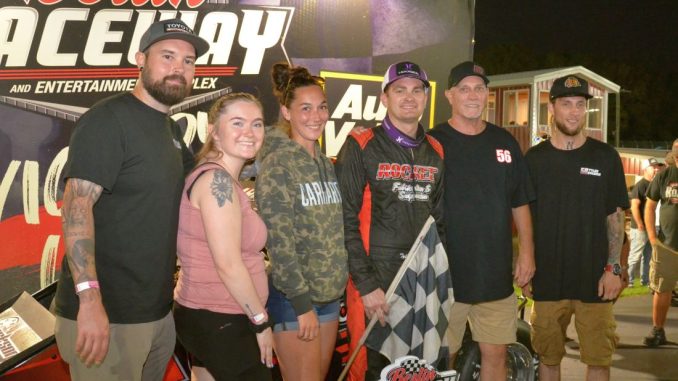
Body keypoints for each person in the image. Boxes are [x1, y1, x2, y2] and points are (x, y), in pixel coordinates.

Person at [53, 18, 208, 380]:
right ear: (140, 59)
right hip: (107, 316)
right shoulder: (109, 119)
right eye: (167, 56)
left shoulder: (168, 129)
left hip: (155, 313)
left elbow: (202, 181)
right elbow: (76, 206)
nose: (178, 68)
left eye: (188, 61)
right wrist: (90, 302)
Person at [335, 61, 445, 380]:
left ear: (426, 97)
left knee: (415, 371)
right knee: (370, 370)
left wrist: (436, 280)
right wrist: (367, 285)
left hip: (420, 280)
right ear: (385, 98)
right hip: (374, 283)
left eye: (416, 90)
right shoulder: (361, 144)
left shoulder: (436, 150)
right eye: (399, 90)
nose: (409, 97)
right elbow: (345, 220)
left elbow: (440, 223)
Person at [428, 61, 535, 380]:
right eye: (464, 88)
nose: (473, 95)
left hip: (494, 275)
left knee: (496, 355)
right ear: (449, 94)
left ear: (487, 93)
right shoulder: (432, 143)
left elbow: (520, 201)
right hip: (445, 277)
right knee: (441, 359)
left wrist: (527, 253)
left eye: (479, 88)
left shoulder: (505, 142)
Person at [525, 75, 629, 381]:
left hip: (595, 280)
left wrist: (613, 267)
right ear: (552, 108)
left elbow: (615, 216)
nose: (573, 111)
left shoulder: (605, 157)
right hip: (547, 279)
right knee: (548, 357)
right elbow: (524, 218)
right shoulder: (534, 160)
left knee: (598, 359)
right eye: (566, 103)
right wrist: (525, 265)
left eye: (580, 105)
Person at [255, 63, 348, 380]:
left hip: (329, 299)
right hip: (296, 301)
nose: (316, 116)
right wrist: (302, 304)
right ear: (286, 111)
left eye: (322, 107)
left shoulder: (323, 161)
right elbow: (280, 243)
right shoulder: (278, 163)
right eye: (305, 108)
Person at [173, 93, 274, 380]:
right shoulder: (217, 181)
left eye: (257, 124)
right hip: (222, 318)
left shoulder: (221, 179)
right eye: (237, 123)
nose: (249, 132)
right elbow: (228, 264)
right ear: (214, 131)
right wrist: (260, 322)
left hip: (209, 317)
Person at [643, 138, 678, 347]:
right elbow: (649, 206)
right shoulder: (664, 175)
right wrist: (652, 238)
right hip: (666, 245)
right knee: (662, 289)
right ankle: (658, 330)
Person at [628, 158, 663, 287]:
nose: (656, 169)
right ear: (645, 169)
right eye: (653, 167)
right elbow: (634, 206)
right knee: (635, 255)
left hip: (651, 227)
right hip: (640, 228)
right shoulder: (640, 185)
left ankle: (645, 281)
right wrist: (640, 224)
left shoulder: (654, 184)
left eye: (657, 167)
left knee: (648, 257)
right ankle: (629, 281)